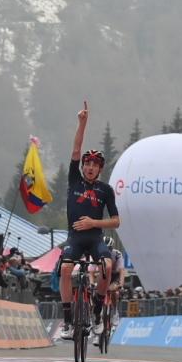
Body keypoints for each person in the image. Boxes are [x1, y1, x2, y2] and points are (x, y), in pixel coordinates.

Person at [59, 100, 120, 338]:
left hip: (95, 237)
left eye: (95, 165)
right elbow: (75, 150)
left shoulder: (106, 190)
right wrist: (82, 123)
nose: (90, 167)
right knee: (65, 269)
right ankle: (67, 321)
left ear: (100, 169)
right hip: (75, 237)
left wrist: (94, 223)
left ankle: (96, 311)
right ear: (83, 166)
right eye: (87, 164)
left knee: (106, 265)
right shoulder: (75, 180)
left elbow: (116, 221)